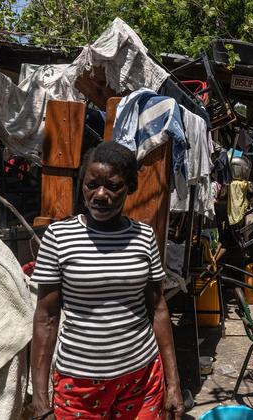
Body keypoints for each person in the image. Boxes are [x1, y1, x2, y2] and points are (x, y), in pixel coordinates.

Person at [30, 142, 184, 420]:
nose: (100, 195)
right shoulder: (58, 237)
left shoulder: (143, 237)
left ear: (129, 188)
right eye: (92, 185)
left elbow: (158, 309)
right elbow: (46, 318)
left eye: (113, 186)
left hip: (142, 379)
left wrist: (173, 384)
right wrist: (41, 402)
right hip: (79, 386)